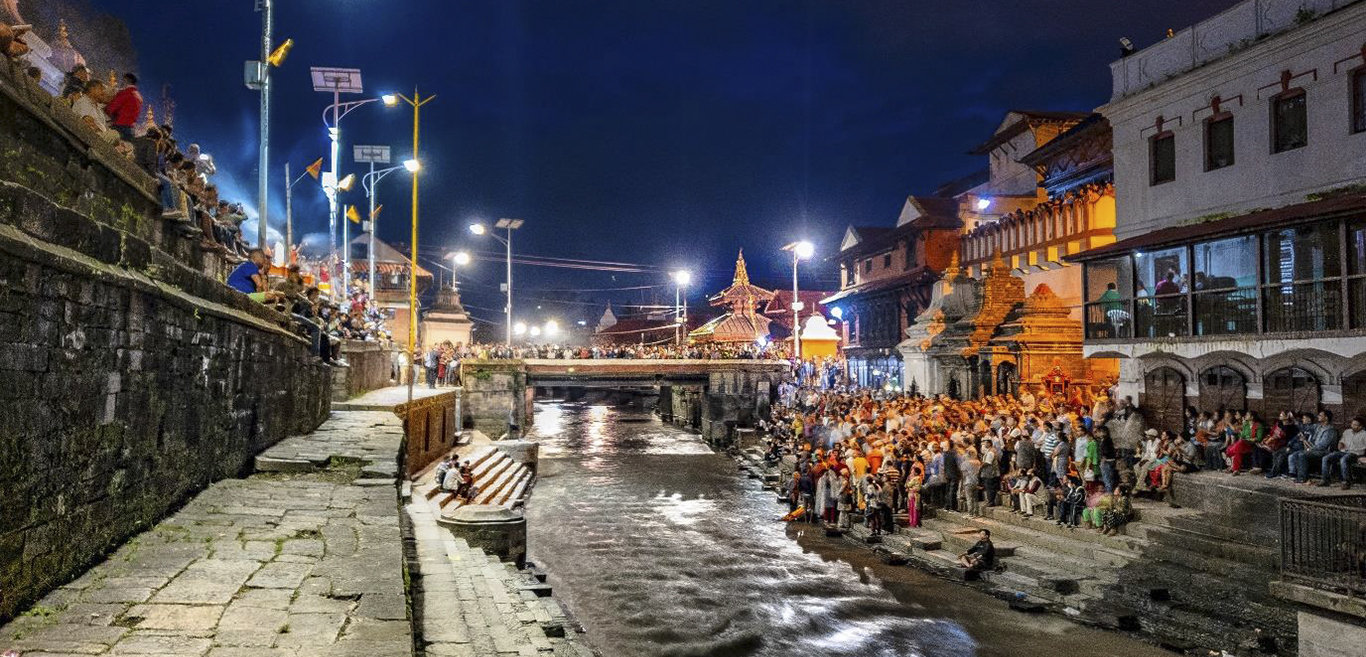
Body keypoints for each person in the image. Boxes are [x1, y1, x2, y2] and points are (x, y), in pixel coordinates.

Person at [1291, 410, 1338, 484]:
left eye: (1320, 415)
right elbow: (1305, 428)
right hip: (1315, 449)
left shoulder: (1330, 430)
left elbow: (1323, 446)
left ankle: (1303, 478)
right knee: (1296, 454)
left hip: (1325, 451)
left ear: (1326, 418)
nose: (1318, 417)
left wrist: (1310, 449)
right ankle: (1300, 476)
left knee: (1302, 454)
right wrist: (1294, 420)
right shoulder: (1318, 426)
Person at [1319, 417, 1366, 489]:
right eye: (1352, 424)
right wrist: (1340, 444)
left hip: (1356, 454)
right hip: (1343, 451)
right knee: (1326, 458)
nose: (1353, 426)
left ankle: (1346, 481)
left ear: (1361, 426)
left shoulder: (1364, 434)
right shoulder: (1347, 432)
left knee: (1344, 460)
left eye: (1355, 425)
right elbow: (1342, 441)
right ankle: (1325, 479)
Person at [104, 73, 142, 140]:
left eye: (122, 80)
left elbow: (110, 108)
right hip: (131, 129)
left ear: (125, 80)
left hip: (120, 127)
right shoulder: (139, 96)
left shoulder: (125, 93)